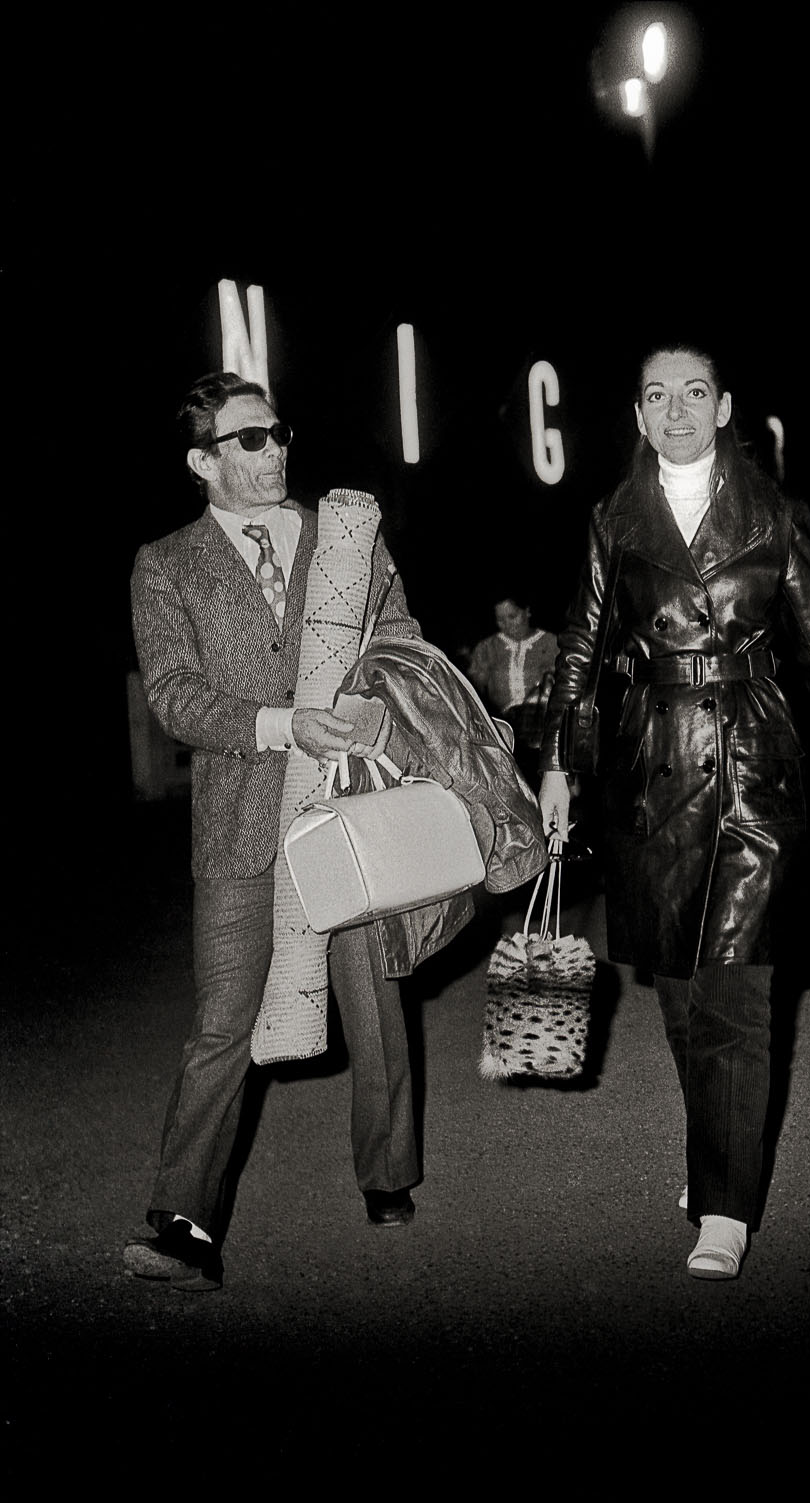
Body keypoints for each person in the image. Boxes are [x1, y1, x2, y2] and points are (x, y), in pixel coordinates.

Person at [538, 343, 810, 1279]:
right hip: (650, 768)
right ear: (638, 415)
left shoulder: (774, 517)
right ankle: (717, 1146)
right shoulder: (614, 518)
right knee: (679, 992)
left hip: (755, 766)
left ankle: (723, 1208)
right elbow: (582, 656)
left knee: (735, 993)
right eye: (657, 395)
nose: (676, 410)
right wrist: (558, 765)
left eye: (694, 393)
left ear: (723, 408)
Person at [123, 372, 424, 1292]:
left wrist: (370, 707)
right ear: (202, 459)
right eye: (251, 439)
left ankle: (386, 1174)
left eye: (279, 433)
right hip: (241, 820)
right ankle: (184, 1223)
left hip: (346, 805)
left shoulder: (346, 535)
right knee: (222, 1024)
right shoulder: (165, 563)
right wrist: (283, 721)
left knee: (372, 1002)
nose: (276, 450)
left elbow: (402, 636)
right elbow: (174, 695)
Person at [468, 597, 558, 744]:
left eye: (512, 617)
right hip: (504, 727)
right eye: (500, 620)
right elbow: (474, 692)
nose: (507, 625)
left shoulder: (551, 643)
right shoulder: (487, 648)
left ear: (527, 612)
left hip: (546, 723)